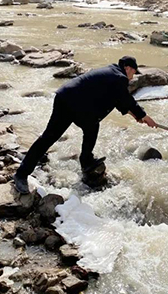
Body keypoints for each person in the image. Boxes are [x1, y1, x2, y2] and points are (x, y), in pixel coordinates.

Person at [14, 56, 158, 194]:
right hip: (69, 102)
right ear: (127, 68)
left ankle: (86, 161)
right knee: (50, 137)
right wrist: (144, 116)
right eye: (133, 72)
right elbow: (126, 99)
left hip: (74, 101)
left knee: (92, 127)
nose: (133, 77)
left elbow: (119, 102)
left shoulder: (112, 74)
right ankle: (21, 174)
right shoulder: (119, 77)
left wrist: (136, 117)